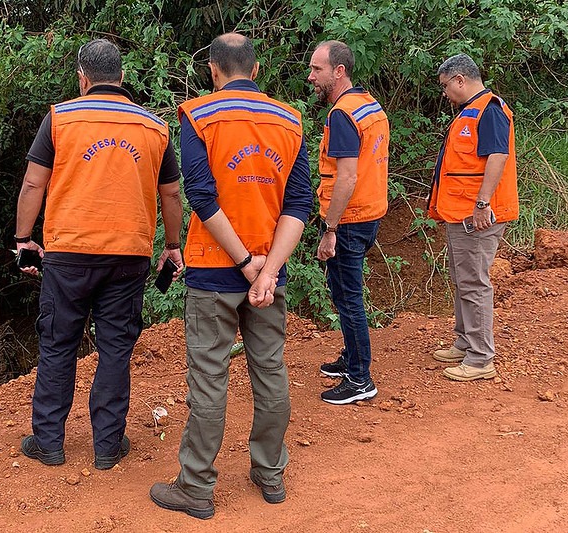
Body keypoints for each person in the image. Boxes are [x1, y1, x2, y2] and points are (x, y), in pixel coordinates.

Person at [150, 33, 312, 519]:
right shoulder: (291, 120)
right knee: (270, 370)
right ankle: (270, 472)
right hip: (269, 271)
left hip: (217, 273)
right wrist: (268, 270)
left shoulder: (199, 114)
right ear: (256, 69)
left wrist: (243, 263)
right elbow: (299, 203)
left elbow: (200, 194)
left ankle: (196, 486)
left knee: (208, 380)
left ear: (214, 71)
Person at [15, 38, 183, 470]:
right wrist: (172, 246)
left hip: (68, 253)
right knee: (114, 350)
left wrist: (23, 241)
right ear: (122, 78)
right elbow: (171, 193)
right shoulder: (153, 127)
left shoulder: (60, 118)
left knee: (57, 345)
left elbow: (34, 184)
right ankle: (107, 446)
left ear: (82, 78)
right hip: (129, 256)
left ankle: (49, 442)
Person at [307, 40, 389, 405]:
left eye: (317, 70)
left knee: (349, 299)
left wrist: (330, 229)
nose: (311, 77)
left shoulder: (342, 114)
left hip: (349, 220)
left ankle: (360, 379)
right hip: (370, 213)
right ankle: (351, 359)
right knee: (344, 294)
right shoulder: (369, 105)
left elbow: (346, 178)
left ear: (339, 71)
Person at [428, 53, 518, 381]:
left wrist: (482, 204)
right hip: (461, 213)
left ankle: (480, 358)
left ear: (460, 80)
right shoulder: (472, 111)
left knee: (474, 283)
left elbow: (497, 156)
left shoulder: (489, 110)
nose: (444, 93)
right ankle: (466, 341)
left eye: (445, 86)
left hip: (477, 216)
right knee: (463, 279)